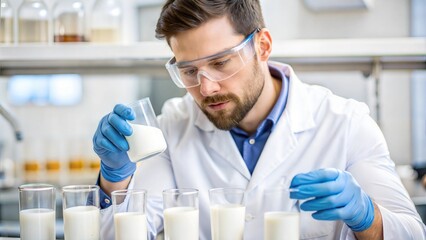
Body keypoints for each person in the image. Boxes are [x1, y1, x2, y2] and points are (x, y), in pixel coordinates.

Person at [93, 0, 426, 239]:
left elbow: (412, 233)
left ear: (262, 46)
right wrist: (115, 180)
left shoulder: (346, 122)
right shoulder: (172, 126)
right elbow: (123, 234)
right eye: (189, 71)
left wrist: (367, 217)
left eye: (221, 62)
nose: (206, 87)